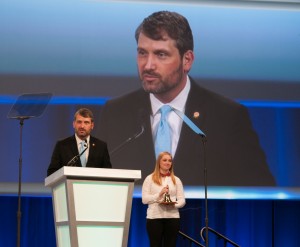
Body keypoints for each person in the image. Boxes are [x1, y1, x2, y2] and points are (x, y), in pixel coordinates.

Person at [96, 11, 276, 186]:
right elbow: (93, 184)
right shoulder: (115, 113)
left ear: (187, 60)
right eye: (142, 53)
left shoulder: (227, 117)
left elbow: (261, 192)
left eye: (161, 54)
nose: (148, 65)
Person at [47, 108, 112, 176]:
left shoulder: (101, 146)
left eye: (86, 122)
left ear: (92, 125)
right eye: (79, 122)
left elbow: (108, 173)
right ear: (74, 124)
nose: (82, 126)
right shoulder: (62, 145)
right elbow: (52, 173)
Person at [142, 152, 185, 247]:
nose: (167, 162)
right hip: (154, 218)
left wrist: (173, 204)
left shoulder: (176, 180)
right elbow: (144, 200)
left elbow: (182, 200)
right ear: (159, 162)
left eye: (170, 160)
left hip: (172, 217)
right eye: (164, 160)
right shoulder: (149, 179)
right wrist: (159, 194)